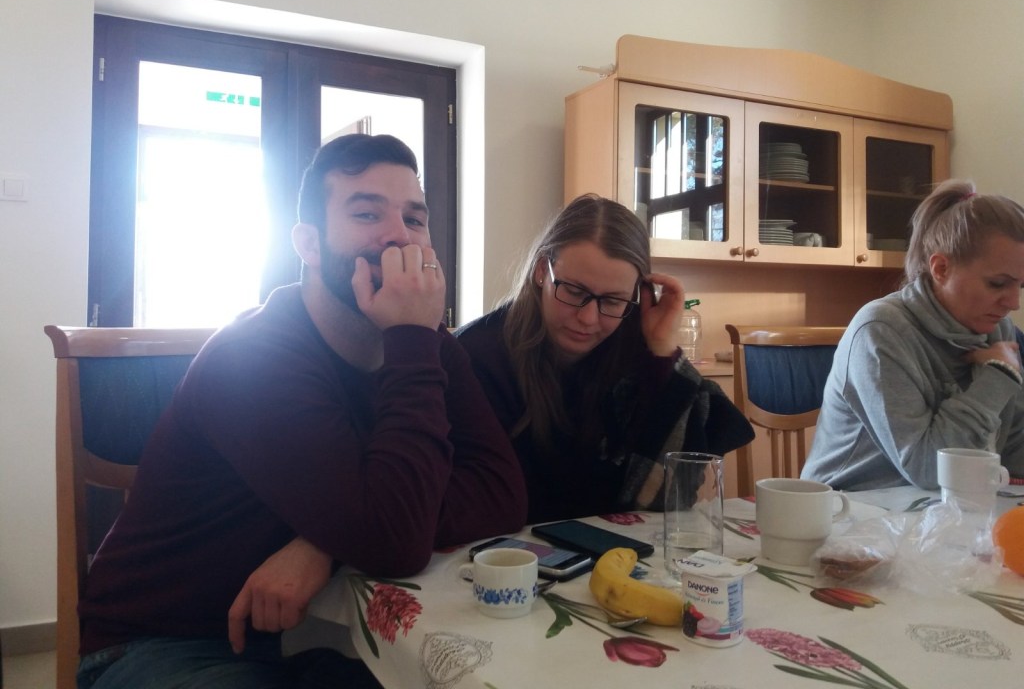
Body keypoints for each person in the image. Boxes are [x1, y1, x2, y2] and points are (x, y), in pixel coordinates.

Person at [76, 134, 528, 688]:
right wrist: (411, 339)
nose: (398, 235)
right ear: (308, 244)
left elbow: (501, 491)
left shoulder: (428, 346)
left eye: (415, 219)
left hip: (320, 631)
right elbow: (394, 542)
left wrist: (325, 548)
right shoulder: (255, 357)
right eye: (367, 213)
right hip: (164, 642)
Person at [455, 194, 754, 523]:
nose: (587, 319)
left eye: (612, 301)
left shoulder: (633, 349)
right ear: (542, 271)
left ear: (637, 296)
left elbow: (672, 496)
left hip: (616, 545)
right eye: (574, 291)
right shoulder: (475, 356)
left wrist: (662, 353)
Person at [803, 180, 1024, 490]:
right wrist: (998, 378)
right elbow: (929, 470)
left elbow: (1013, 452)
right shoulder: (880, 330)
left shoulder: (998, 328)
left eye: (1020, 286)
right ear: (941, 268)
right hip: (848, 505)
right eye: (998, 284)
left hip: (938, 506)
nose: (1013, 303)